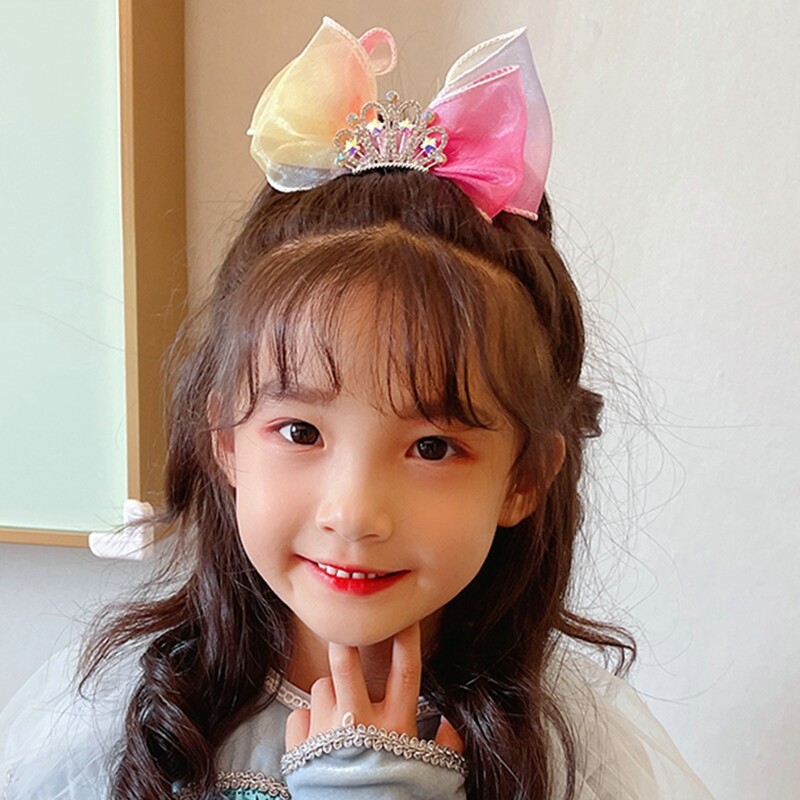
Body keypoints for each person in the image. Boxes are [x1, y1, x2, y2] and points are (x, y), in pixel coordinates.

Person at [0, 17, 716, 800]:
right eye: (300, 431)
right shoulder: (123, 716)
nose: (354, 514)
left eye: (433, 447)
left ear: (524, 477)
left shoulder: (568, 742)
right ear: (226, 440)